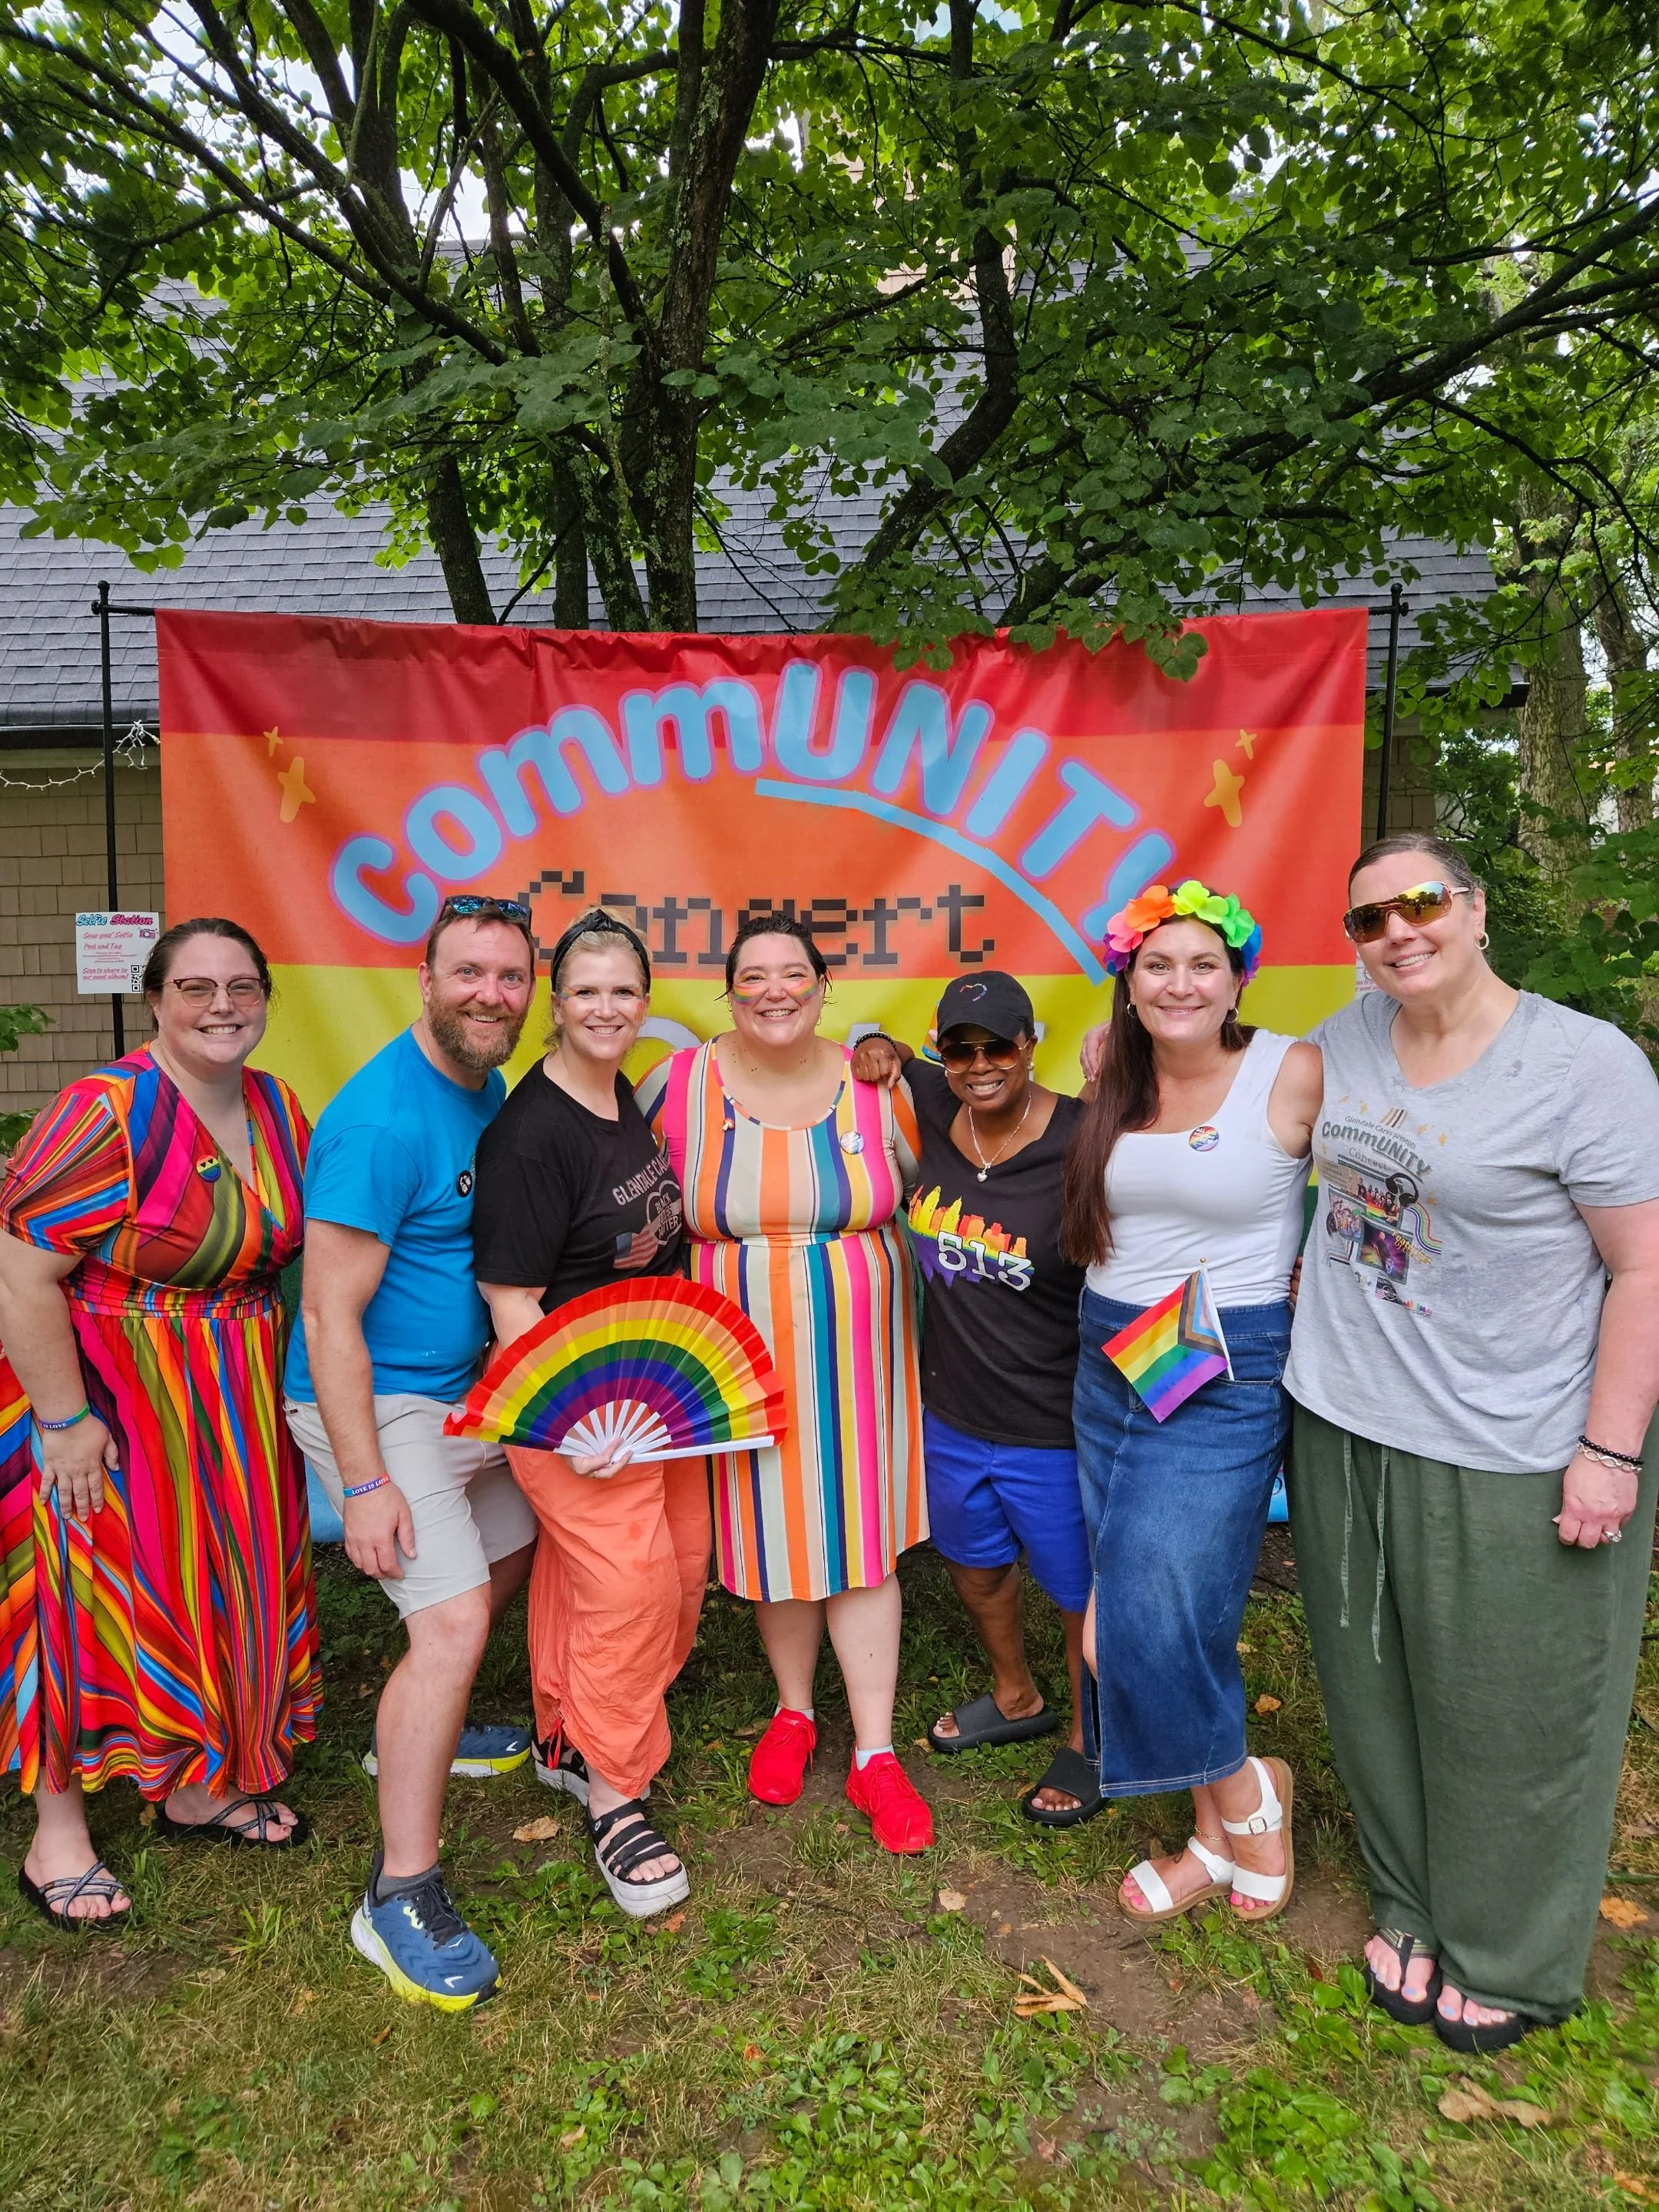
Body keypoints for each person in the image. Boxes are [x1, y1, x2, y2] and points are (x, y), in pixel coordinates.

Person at [1285, 832, 1659, 2052]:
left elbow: (1643, 1268)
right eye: (1368, 921)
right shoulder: (1345, 1039)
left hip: (1511, 1442)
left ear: (1476, 908)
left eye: (1420, 904)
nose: (1397, 932)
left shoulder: (1583, 1066)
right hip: (1345, 1418)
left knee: (1512, 1712)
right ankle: (1411, 1899)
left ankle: (1509, 1949)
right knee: (1371, 1686)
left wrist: (1611, 1451)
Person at [0, 918, 318, 1929]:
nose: (221, 1005)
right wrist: (64, 1421)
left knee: (216, 1584)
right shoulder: (108, 1110)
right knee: (80, 1597)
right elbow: (18, 1271)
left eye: (239, 986)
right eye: (195, 987)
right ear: (156, 1003)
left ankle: (196, 1783)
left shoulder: (276, 1106)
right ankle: (59, 1838)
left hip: (230, 1394)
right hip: (107, 1395)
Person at [285, 895, 540, 2009]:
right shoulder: (385, 1119)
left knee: (527, 1549)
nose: (491, 994)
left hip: (461, 1403)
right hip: (379, 1409)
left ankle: (414, 1740)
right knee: (451, 1621)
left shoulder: (481, 1093)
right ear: (425, 979)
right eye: (469, 973)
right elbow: (326, 1317)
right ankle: (400, 1892)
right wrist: (367, 1479)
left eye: (509, 977)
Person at [638, 915, 932, 1854]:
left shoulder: (878, 1083)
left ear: (822, 984)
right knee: (774, 1534)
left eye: (793, 973)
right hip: (740, 1355)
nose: (775, 989)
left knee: (863, 1536)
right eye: (753, 975)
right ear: (728, 991)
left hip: (866, 1354)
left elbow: (949, 1178)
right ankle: (796, 1712)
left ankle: (876, 1753)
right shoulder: (675, 1086)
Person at [1063, 879, 1320, 1926]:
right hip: (1112, 1356)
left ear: (1238, 979)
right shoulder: (1108, 1074)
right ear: (1128, 983)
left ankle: (1253, 1795)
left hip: (1224, 1364)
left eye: (1202, 964)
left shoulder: (1292, 1069)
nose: (1179, 983)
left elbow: (1385, 1193)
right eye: (1156, 965)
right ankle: (1213, 1835)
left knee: (1130, 1626)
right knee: (1166, 1615)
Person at [472, 909, 707, 1919]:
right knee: (631, 1589)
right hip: (573, 1405)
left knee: (667, 1565)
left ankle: (566, 1736)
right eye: (586, 992)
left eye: (623, 992)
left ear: (644, 1005)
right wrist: (578, 1420)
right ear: (555, 1006)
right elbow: (514, 1302)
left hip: (649, 1387)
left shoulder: (621, 1100)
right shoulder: (531, 1134)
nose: (606, 1008)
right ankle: (617, 1797)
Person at [850, 974, 1097, 1825]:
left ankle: (1092, 1740)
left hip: (1054, 1421)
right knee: (975, 1567)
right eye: (962, 1047)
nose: (982, 1063)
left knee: (1076, 1594)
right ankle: (1018, 1695)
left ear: (1032, 1044)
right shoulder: (928, 1100)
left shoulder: (1083, 1136)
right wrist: (875, 1049)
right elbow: (873, 1049)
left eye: (1000, 1045)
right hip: (951, 1412)